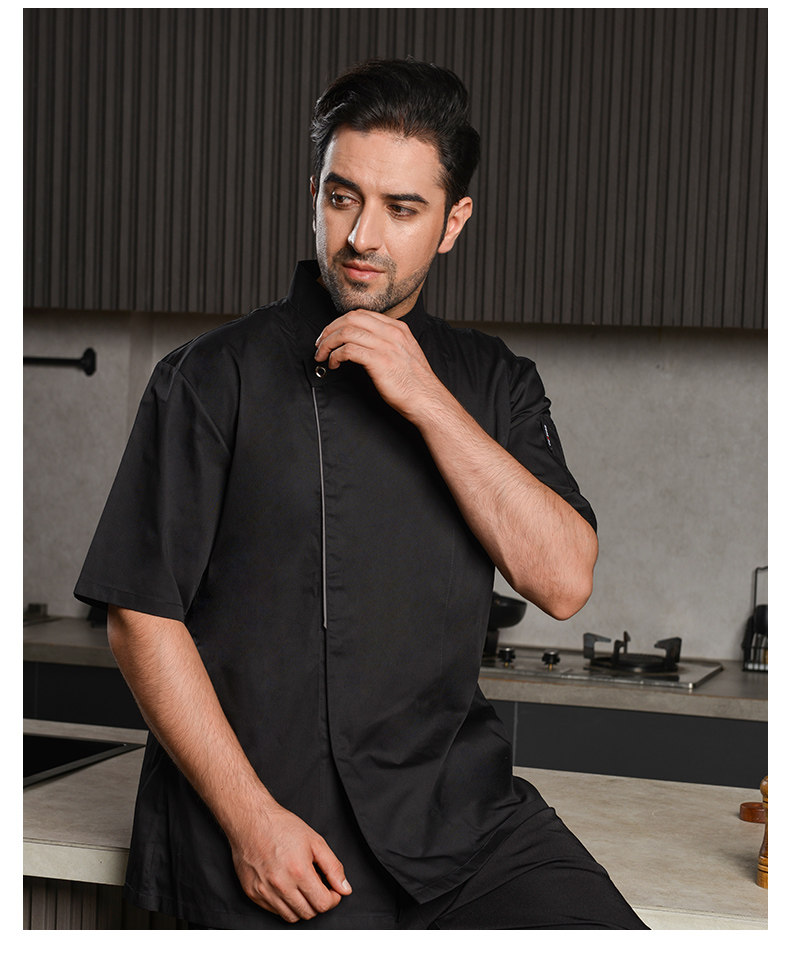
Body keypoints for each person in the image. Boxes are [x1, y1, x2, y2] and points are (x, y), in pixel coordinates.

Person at [75, 58, 647, 930]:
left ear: (453, 223)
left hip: (460, 826)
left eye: (403, 209)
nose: (361, 237)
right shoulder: (210, 378)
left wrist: (425, 397)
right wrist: (251, 821)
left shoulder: (494, 381)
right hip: (274, 826)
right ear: (314, 195)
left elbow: (563, 579)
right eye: (343, 198)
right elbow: (141, 617)